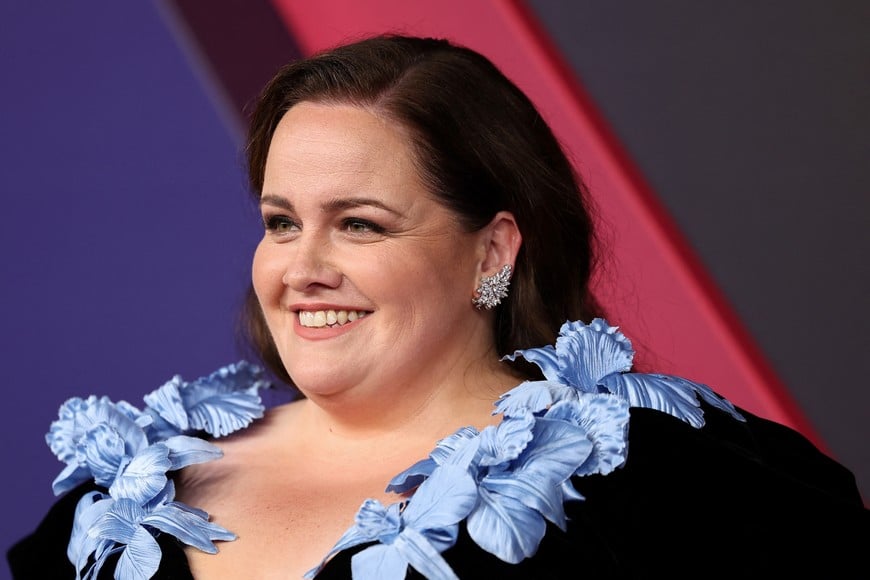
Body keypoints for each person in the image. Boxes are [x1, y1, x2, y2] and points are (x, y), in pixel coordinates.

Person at [7, 34, 868, 579]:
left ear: (491, 252)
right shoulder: (118, 500)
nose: (301, 267)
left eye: (359, 225)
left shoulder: (666, 485)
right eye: (281, 222)